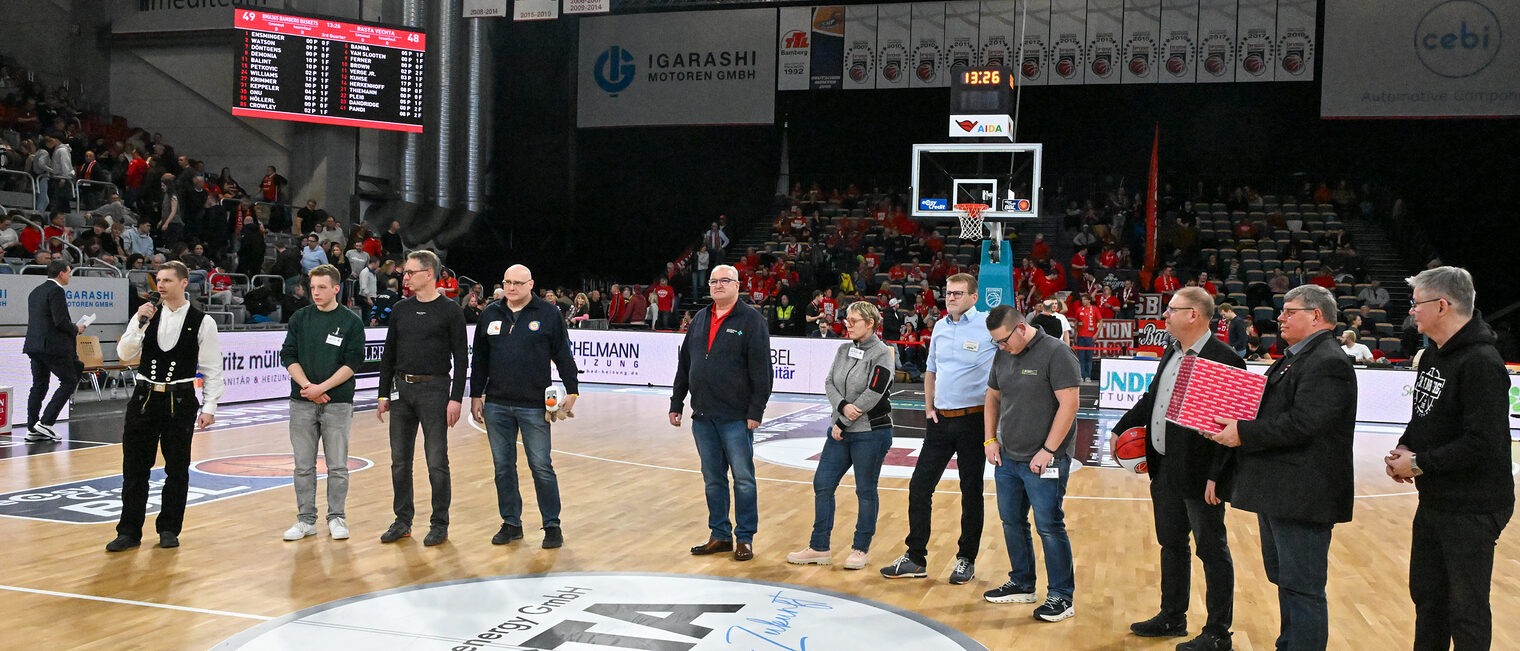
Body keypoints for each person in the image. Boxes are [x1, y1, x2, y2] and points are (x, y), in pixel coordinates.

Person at [1209, 284, 1356, 651]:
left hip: (1304, 495)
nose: (1280, 318)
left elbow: (1304, 424)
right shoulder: (1296, 357)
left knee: (1303, 587)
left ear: (1316, 316)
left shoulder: (1328, 362)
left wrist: (1242, 432)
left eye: (1290, 312)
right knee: (1286, 580)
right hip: (1282, 491)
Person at [1385, 267, 1513, 650]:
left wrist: (1419, 463)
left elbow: (1482, 443)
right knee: (1428, 600)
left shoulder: (1482, 363)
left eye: (1416, 304)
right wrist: (1406, 447)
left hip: (1474, 506)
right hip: (1437, 499)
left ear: (1442, 306)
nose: (1412, 312)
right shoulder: (1431, 355)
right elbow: (1424, 418)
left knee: (1466, 610)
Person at [1113, 287, 1245, 650]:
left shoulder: (1226, 359)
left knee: (1212, 551)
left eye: (1172, 309)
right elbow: (1151, 399)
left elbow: (1235, 426)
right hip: (1165, 467)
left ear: (1194, 315)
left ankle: (1218, 632)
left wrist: (1218, 476)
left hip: (1202, 476)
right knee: (1171, 545)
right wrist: (1120, 428)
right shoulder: (1172, 351)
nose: (1165, 315)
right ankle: (1172, 616)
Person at [880, 273, 994, 585]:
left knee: (971, 492)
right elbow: (931, 370)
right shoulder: (940, 327)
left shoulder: (987, 325)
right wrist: (928, 406)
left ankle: (966, 559)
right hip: (939, 421)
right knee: (919, 486)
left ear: (973, 297)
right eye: (949, 293)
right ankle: (915, 557)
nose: (951, 298)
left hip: (973, 420)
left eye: (958, 293)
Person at [106, 261, 224, 552]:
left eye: (167, 280)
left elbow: (212, 368)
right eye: (158, 280)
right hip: (144, 398)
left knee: (177, 468)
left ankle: (169, 528)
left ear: (183, 283)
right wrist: (138, 323)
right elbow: (124, 354)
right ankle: (129, 531)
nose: (160, 285)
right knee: (134, 468)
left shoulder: (202, 321)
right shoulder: (145, 315)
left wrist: (209, 406)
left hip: (179, 400)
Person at [979, 305, 1081, 623]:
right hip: (1008, 457)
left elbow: (1070, 404)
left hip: (1045, 460)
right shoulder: (1003, 354)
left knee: (1049, 526)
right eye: (996, 342)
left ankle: (1062, 596)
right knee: (1011, 521)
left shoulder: (1057, 353)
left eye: (1004, 340)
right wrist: (989, 440)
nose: (1000, 347)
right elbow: (992, 397)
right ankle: (1022, 583)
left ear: (1021, 328)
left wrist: (1048, 450)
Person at [470, 264, 581, 549]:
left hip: (534, 405)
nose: (511, 287)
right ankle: (511, 523)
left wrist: (573, 390)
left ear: (531, 285)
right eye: (507, 282)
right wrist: (475, 395)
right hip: (496, 404)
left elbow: (563, 354)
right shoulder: (490, 313)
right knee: (503, 468)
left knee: (541, 466)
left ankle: (552, 525)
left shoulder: (548, 313)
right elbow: (479, 358)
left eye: (518, 283)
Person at [669, 264, 773, 562]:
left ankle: (745, 538)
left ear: (737, 285)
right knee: (713, 480)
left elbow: (762, 371)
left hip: (736, 417)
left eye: (725, 280)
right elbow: (685, 364)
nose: (718, 285)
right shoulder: (700, 318)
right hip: (703, 416)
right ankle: (720, 534)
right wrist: (677, 403)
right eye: (713, 281)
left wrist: (756, 410)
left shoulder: (752, 320)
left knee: (743, 479)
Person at [787, 301, 895, 571]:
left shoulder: (883, 353)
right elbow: (829, 383)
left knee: (865, 490)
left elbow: (874, 393)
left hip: (870, 433)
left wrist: (843, 421)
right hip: (840, 430)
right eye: (847, 319)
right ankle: (819, 546)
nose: (848, 324)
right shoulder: (843, 349)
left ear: (870, 323)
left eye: (854, 321)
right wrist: (843, 408)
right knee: (823, 484)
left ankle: (860, 549)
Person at [376, 250, 469, 547]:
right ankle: (402, 521)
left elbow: (462, 359)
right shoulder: (401, 309)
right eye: (405, 272)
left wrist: (456, 398)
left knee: (436, 461)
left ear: (429, 274)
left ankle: (439, 523)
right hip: (401, 390)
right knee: (399, 462)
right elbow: (388, 354)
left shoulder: (450, 310)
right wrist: (382, 393)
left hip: (435, 390)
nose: (404, 277)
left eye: (410, 272)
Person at [279, 265, 365, 542]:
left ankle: (337, 517)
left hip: (337, 403)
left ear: (336, 289)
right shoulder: (300, 317)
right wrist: (308, 387)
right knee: (303, 466)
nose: (315, 292)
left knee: (337, 466)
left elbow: (353, 362)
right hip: (302, 402)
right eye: (313, 287)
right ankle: (305, 520)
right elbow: (288, 354)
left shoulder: (351, 322)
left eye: (322, 287)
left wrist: (322, 388)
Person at [22, 260, 83, 442]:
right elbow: (60, 321)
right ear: (61, 273)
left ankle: (32, 427)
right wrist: (76, 328)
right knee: (69, 381)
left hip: (34, 345)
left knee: (39, 385)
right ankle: (46, 422)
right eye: (69, 272)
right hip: (52, 347)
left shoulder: (35, 291)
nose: (70, 276)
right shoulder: (56, 291)